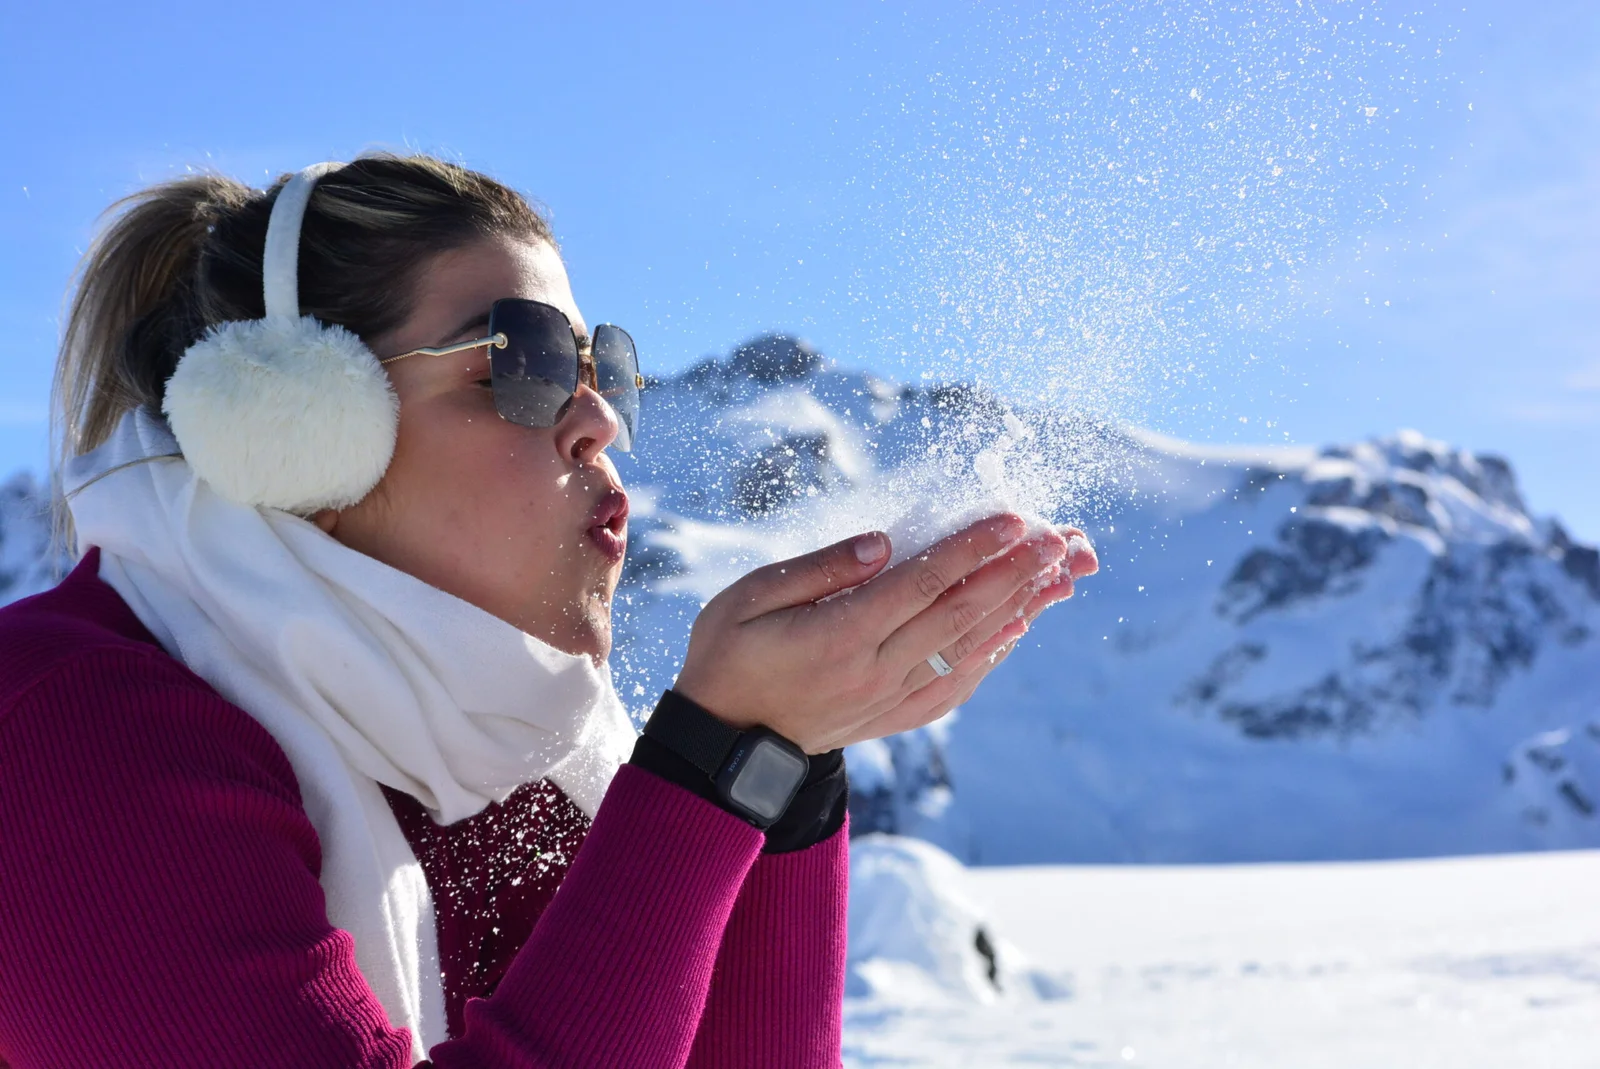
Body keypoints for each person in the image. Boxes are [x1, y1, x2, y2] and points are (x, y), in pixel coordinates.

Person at [0, 154, 1095, 1068]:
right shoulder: (69, 724)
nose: (597, 423)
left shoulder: (517, 770)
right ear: (298, 432)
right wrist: (705, 772)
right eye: (516, 362)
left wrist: (779, 758)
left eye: (598, 366)